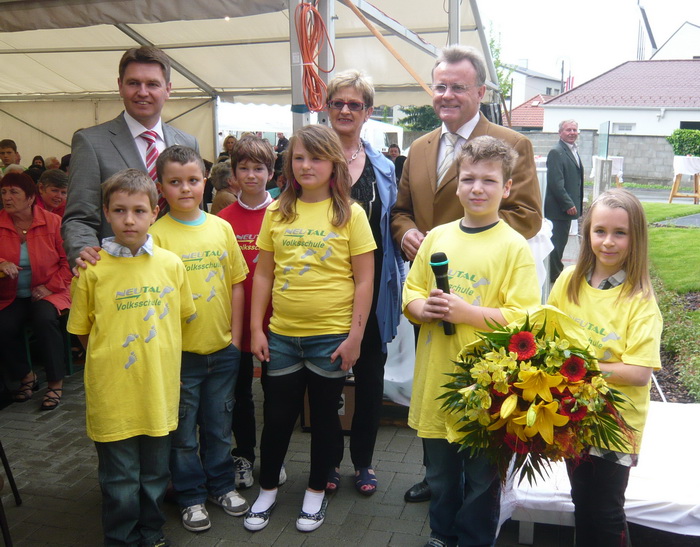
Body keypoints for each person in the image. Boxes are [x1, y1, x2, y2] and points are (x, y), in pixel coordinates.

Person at [391, 44, 542, 504]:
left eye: (458, 86)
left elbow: (528, 215)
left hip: (481, 301)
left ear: (480, 92)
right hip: (432, 296)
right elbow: (400, 210)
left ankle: (477, 490)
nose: (447, 95)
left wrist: (465, 239)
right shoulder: (419, 147)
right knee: (433, 385)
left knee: (480, 401)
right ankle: (435, 474)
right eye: (440, 86)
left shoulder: (512, 143)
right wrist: (408, 233)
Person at [403, 136, 540, 547]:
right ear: (457, 184)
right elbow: (411, 292)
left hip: (488, 389)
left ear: (507, 188)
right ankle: (442, 534)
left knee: (482, 478)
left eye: (489, 180)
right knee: (441, 474)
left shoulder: (514, 247)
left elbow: (523, 320)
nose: (477, 188)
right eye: (468, 179)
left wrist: (468, 314)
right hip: (436, 382)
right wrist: (421, 308)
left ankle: (476, 539)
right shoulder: (437, 238)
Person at [245, 124, 375, 533]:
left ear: (334, 163)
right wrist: (256, 329)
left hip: (331, 339)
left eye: (316, 158)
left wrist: (355, 338)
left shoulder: (350, 214)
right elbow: (263, 273)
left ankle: (315, 492)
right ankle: (267, 490)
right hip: (282, 337)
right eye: (298, 158)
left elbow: (364, 281)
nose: (306, 166)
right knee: (277, 418)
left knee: (324, 420)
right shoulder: (277, 211)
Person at [67, 169, 195, 547]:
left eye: (139, 211)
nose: (129, 220)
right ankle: (121, 539)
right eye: (119, 210)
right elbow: (83, 331)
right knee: (120, 479)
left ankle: (151, 533)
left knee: (155, 474)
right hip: (113, 394)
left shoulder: (171, 264)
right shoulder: (91, 269)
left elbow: (178, 320)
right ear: (106, 212)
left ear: (154, 212)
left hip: (158, 391)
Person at [547, 188, 662, 547]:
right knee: (582, 500)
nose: (608, 242)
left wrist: (580, 367)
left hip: (615, 424)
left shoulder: (640, 301)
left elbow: (639, 373)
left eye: (620, 233)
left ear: (635, 237)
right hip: (572, 415)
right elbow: (548, 336)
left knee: (606, 512)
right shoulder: (569, 281)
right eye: (600, 231)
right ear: (587, 233)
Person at [149, 145, 249, 533]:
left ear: (205, 182)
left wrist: (235, 339)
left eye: (192, 180)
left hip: (222, 349)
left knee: (219, 426)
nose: (185, 189)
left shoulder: (221, 228)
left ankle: (221, 486)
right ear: (161, 187)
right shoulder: (156, 237)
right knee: (183, 433)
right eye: (175, 182)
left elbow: (236, 283)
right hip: (181, 357)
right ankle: (190, 494)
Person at [325, 69, 404, 496]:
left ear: (368, 112)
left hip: (371, 287)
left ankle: (364, 462)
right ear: (327, 107)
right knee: (326, 379)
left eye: (354, 104)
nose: (345, 110)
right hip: (325, 287)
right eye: (338, 102)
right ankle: (328, 460)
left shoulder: (383, 167)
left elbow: (391, 224)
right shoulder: (310, 158)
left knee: (371, 376)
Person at [62, 45, 199, 268]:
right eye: (134, 83)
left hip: (180, 269)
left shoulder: (187, 142)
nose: (142, 92)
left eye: (152, 84)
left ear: (168, 89)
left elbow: (195, 213)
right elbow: (79, 218)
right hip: (118, 272)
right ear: (120, 86)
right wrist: (86, 256)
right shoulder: (90, 142)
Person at [217, 136, 278, 490]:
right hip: (235, 324)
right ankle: (243, 456)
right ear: (234, 174)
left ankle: (273, 455)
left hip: (277, 323)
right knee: (239, 395)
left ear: (271, 172)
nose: (251, 175)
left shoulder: (284, 214)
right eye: (244, 168)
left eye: (259, 168)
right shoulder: (222, 221)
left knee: (276, 395)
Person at [0, 172, 72, 410]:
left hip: (51, 289)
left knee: (44, 318)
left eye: (14, 192)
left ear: (30, 197)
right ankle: (26, 376)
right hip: (12, 293)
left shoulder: (52, 222)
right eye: (3, 192)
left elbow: (68, 262)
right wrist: (1, 263)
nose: (7, 198)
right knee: (3, 325)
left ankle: (55, 383)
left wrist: (49, 287)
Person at [546, 119, 584, 283]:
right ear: (560, 132)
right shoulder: (556, 152)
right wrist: (568, 204)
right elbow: (555, 182)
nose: (572, 133)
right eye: (568, 130)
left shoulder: (572, 150)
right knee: (556, 244)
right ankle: (554, 277)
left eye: (574, 130)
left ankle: (555, 274)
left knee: (561, 243)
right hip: (558, 210)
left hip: (565, 210)